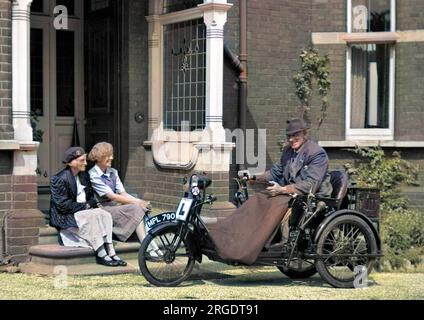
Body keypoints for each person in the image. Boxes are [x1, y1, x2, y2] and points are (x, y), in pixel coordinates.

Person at [207, 118, 332, 264]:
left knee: (272, 205)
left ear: (305, 134)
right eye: (289, 136)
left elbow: (311, 184)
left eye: (295, 135)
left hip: (310, 197)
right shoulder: (288, 152)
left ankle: (256, 247)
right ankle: (229, 240)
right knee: (259, 199)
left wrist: (283, 189)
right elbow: (274, 173)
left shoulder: (316, 153)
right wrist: (253, 177)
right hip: (290, 194)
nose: (291, 139)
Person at [49, 147, 125, 267]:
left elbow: (91, 198)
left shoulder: (84, 176)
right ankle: (101, 254)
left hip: (85, 211)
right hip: (67, 215)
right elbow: (62, 205)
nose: (85, 163)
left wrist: (89, 205)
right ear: (71, 162)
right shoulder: (59, 179)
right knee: (93, 214)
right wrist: (86, 206)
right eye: (81, 160)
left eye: (85, 160)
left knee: (104, 214)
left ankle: (111, 252)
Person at [87, 142, 160, 256]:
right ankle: (147, 248)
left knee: (141, 208)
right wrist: (139, 202)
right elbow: (112, 196)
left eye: (111, 155)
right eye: (108, 155)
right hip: (104, 209)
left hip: (117, 207)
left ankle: (152, 245)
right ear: (100, 157)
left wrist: (140, 202)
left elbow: (123, 193)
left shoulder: (113, 172)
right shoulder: (93, 174)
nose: (112, 157)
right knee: (137, 208)